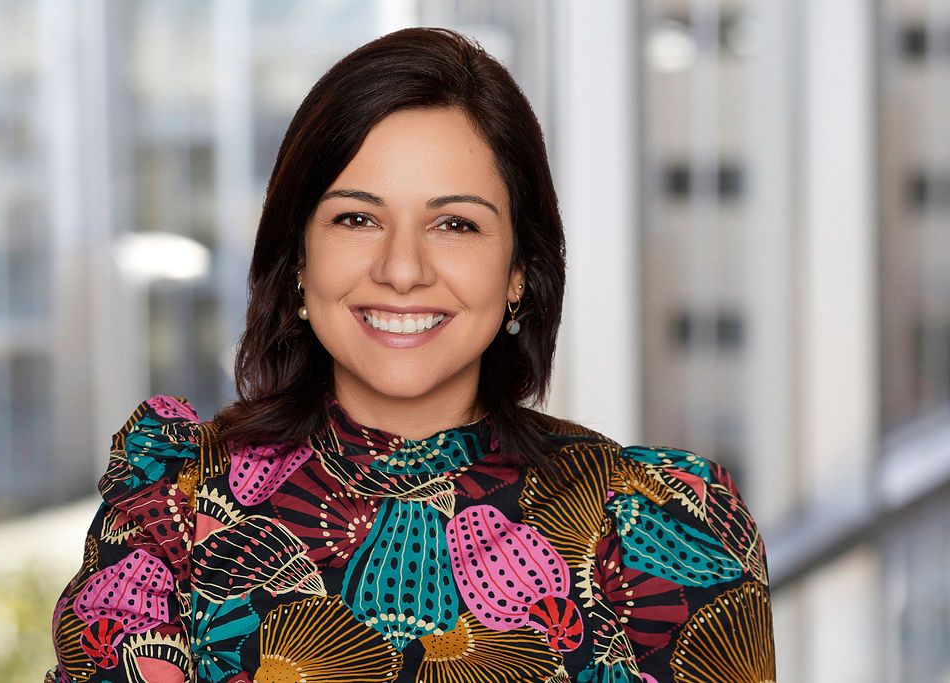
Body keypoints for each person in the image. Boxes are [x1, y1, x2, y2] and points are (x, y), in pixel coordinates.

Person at [47, 26, 776, 683]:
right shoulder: (168, 511)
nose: (402, 269)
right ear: (299, 259)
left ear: (520, 269)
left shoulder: (656, 527)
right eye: (358, 217)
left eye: (455, 223)